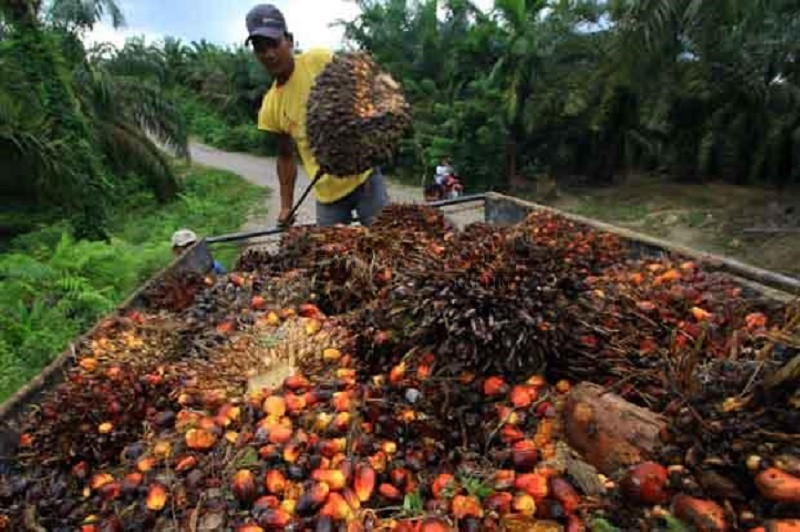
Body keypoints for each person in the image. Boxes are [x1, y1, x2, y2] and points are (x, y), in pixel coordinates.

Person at [246, 4, 389, 228]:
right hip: (328, 196)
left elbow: (360, 89)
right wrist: (286, 206)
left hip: (365, 179)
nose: (269, 54)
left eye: (274, 43)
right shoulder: (271, 106)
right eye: (260, 48)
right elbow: (285, 157)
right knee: (329, 258)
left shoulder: (319, 60)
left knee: (388, 241)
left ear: (289, 41)